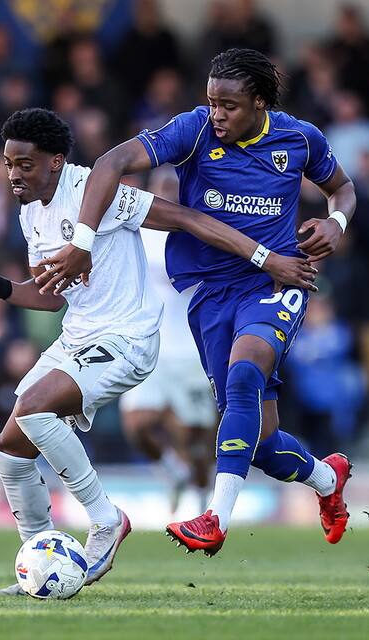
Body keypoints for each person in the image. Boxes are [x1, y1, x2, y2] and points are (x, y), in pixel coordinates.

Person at [0, 108, 317, 595]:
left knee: (35, 410)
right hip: (78, 335)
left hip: (126, 338)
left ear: (56, 161)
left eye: (25, 165)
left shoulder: (93, 193)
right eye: (9, 164)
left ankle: (106, 519)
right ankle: (37, 561)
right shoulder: (29, 212)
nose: (14, 175)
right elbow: (49, 294)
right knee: (11, 449)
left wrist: (265, 258)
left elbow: (185, 218)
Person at [35, 48, 358, 556]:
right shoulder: (193, 130)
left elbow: (342, 189)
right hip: (209, 293)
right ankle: (326, 479)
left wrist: (335, 223)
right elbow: (111, 162)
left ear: (259, 102)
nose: (217, 115)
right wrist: (83, 241)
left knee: (245, 372)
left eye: (228, 105)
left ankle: (215, 516)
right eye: (211, 102)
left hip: (278, 280)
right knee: (263, 445)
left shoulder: (299, 138)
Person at [119, 168, 218, 517]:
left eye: (173, 187)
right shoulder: (134, 233)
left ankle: (203, 501)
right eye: (160, 187)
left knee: (195, 434)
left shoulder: (201, 233)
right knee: (138, 423)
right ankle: (171, 470)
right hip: (148, 347)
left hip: (191, 349)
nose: (166, 193)